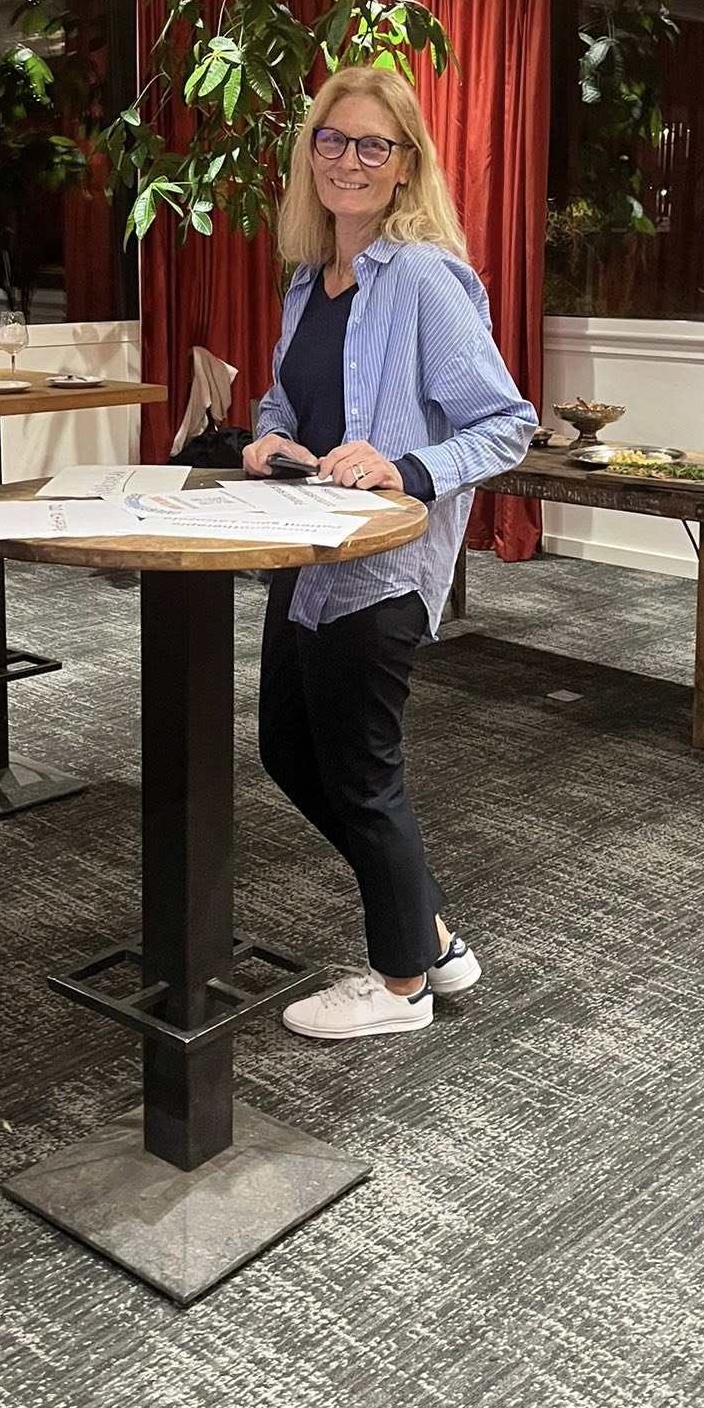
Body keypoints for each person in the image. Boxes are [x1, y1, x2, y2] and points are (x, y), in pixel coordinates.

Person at [244, 65, 536, 1043]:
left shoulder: (420, 277)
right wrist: (268, 434)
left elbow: (507, 424)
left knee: (364, 775)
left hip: (379, 567)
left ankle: (403, 984)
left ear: (406, 164)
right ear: (310, 153)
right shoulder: (308, 279)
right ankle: (432, 934)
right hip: (305, 555)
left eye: (376, 145)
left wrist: (405, 466)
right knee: (288, 749)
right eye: (333, 140)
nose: (351, 161)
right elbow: (288, 399)